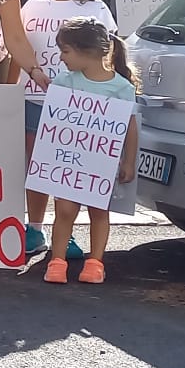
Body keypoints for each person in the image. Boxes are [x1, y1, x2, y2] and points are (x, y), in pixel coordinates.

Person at [19, 0, 114, 257]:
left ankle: (66, 233)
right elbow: (16, 50)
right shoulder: (33, 4)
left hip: (76, 106)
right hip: (32, 98)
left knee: (65, 170)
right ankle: (35, 229)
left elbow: (107, 54)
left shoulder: (94, 9)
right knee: (35, 167)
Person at [40, 17, 139, 286]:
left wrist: (129, 161)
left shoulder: (121, 88)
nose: (61, 58)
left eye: (65, 51)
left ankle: (95, 263)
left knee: (99, 212)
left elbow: (130, 127)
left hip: (101, 165)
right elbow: (54, 123)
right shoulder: (64, 81)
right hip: (69, 163)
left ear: (86, 51)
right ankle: (57, 262)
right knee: (64, 210)